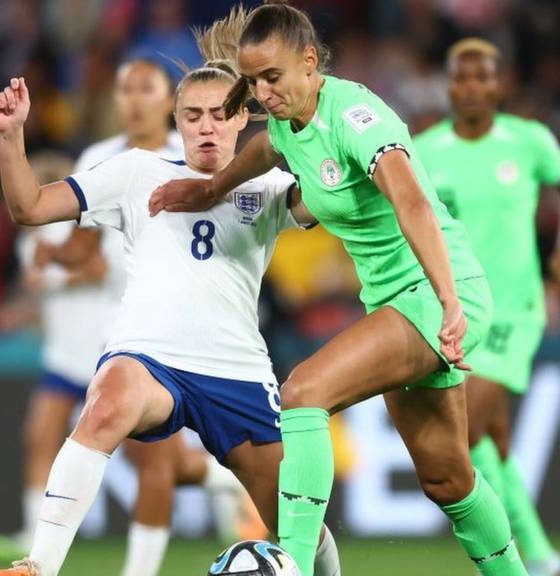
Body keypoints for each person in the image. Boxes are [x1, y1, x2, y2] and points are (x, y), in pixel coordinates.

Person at [147, 3, 533, 576]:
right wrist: (210, 190)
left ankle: (294, 566)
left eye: (272, 77)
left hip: (436, 292)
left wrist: (449, 300)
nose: (263, 93)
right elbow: (266, 147)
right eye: (254, 82)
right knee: (447, 479)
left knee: (304, 393)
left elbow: (413, 203)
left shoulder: (356, 118)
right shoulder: (287, 120)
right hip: (395, 302)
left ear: (310, 62)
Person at [0, 10, 340, 576]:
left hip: (235, 370)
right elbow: (30, 207)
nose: (207, 127)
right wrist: (11, 137)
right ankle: (39, 564)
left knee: (295, 521)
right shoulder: (136, 172)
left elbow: (331, 198)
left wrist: (306, 129)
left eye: (219, 115)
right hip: (151, 356)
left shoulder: (269, 186)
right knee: (107, 401)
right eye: (193, 116)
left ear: (241, 119)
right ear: (175, 121)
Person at [413, 38, 560, 576]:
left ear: (501, 84)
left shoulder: (530, 141)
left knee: (465, 429)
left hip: (515, 311)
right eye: (462, 77)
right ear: (448, 85)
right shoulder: (423, 150)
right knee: (491, 442)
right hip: (459, 311)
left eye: (483, 77)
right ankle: (539, 557)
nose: (472, 87)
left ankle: (505, 561)